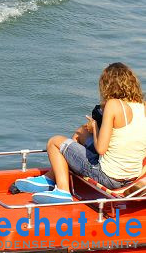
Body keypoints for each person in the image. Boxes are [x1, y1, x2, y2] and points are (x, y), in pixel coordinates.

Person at [14, 63, 146, 203]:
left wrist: (95, 127)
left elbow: (101, 148)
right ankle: (51, 177)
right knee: (81, 132)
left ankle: (63, 191)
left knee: (54, 142)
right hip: (131, 176)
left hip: (107, 177)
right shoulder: (143, 107)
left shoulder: (113, 104)